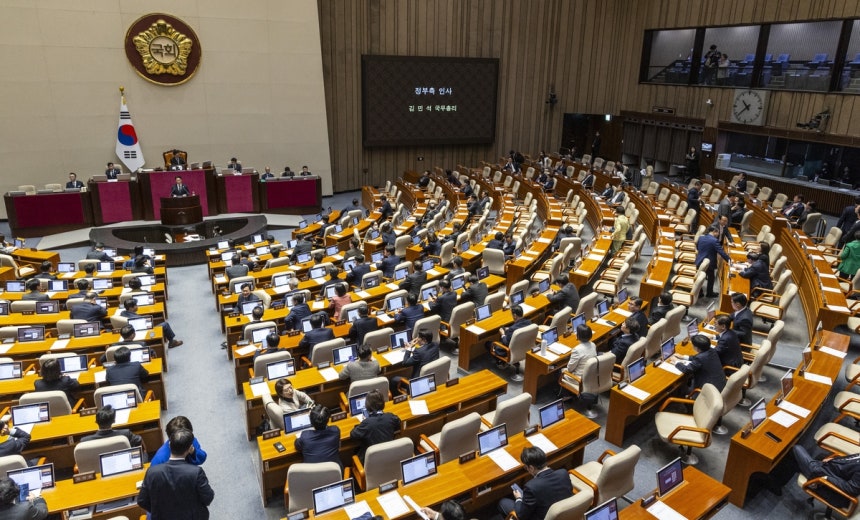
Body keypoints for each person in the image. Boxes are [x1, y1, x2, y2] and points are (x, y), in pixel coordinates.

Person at [138, 429, 214, 520]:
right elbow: (208, 498)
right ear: (189, 448)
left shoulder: (152, 472)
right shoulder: (196, 472)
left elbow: (142, 501)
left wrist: (159, 511)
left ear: (169, 445)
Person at [498, 446, 573, 520]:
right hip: (566, 514)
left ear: (531, 468)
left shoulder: (531, 487)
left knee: (503, 502)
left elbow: (521, 515)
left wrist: (519, 498)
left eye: (526, 467)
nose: (527, 470)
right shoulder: (563, 473)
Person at [792, 445, 860, 510]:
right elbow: (850, 460)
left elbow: (851, 489)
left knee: (796, 448)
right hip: (830, 469)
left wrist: (826, 478)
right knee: (817, 456)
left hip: (821, 475)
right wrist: (834, 459)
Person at [349, 389, 400, 463]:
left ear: (367, 406)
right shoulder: (390, 417)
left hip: (371, 461)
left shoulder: (367, 423)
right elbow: (398, 422)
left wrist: (364, 421)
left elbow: (353, 435)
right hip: (389, 456)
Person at [696, 226, 731, 298]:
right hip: (709, 263)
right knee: (711, 278)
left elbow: (697, 247)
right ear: (715, 232)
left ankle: (700, 292)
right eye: (718, 233)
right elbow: (721, 252)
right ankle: (709, 293)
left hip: (699, 260)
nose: (718, 234)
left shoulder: (701, 237)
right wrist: (729, 260)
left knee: (699, 277)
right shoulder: (714, 240)